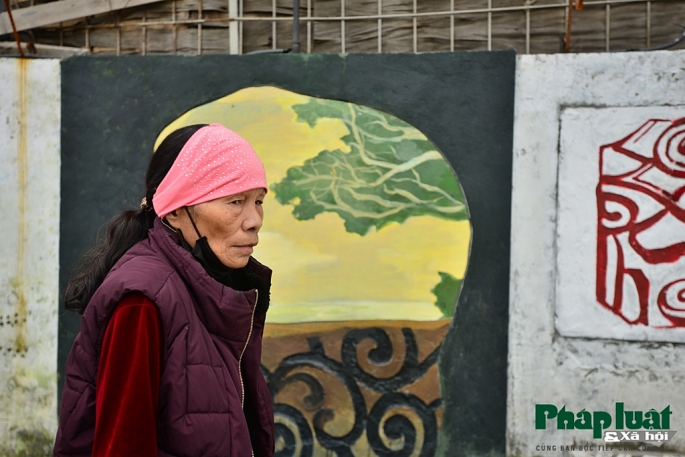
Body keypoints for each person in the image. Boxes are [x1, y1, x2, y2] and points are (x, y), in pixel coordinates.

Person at [54, 124, 275, 457]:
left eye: (258, 201)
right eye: (235, 201)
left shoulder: (218, 290)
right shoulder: (142, 302)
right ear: (174, 210)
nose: (254, 219)